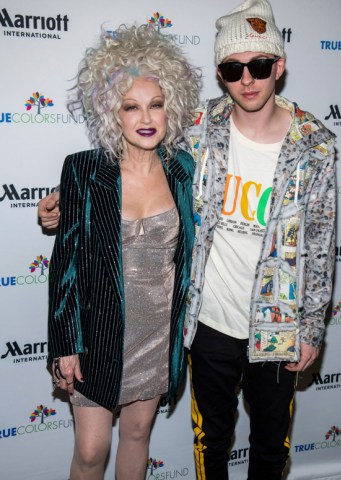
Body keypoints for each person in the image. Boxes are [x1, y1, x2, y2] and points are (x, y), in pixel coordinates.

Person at [39, 1, 336, 479]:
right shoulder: (203, 132)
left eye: (259, 65)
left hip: (248, 330)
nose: (248, 78)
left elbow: (320, 245)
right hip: (192, 324)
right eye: (233, 67)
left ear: (278, 66)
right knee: (186, 444)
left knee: (265, 445)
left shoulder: (303, 147)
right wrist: (60, 200)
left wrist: (312, 327)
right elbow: (81, 235)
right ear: (220, 74)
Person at [47, 24, 199, 480]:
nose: (145, 117)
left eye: (156, 104)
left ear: (171, 107)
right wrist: (65, 344)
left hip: (156, 334)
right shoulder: (84, 170)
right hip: (98, 334)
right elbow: (65, 264)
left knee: (137, 436)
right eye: (130, 106)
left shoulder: (184, 168)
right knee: (92, 451)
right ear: (111, 112)